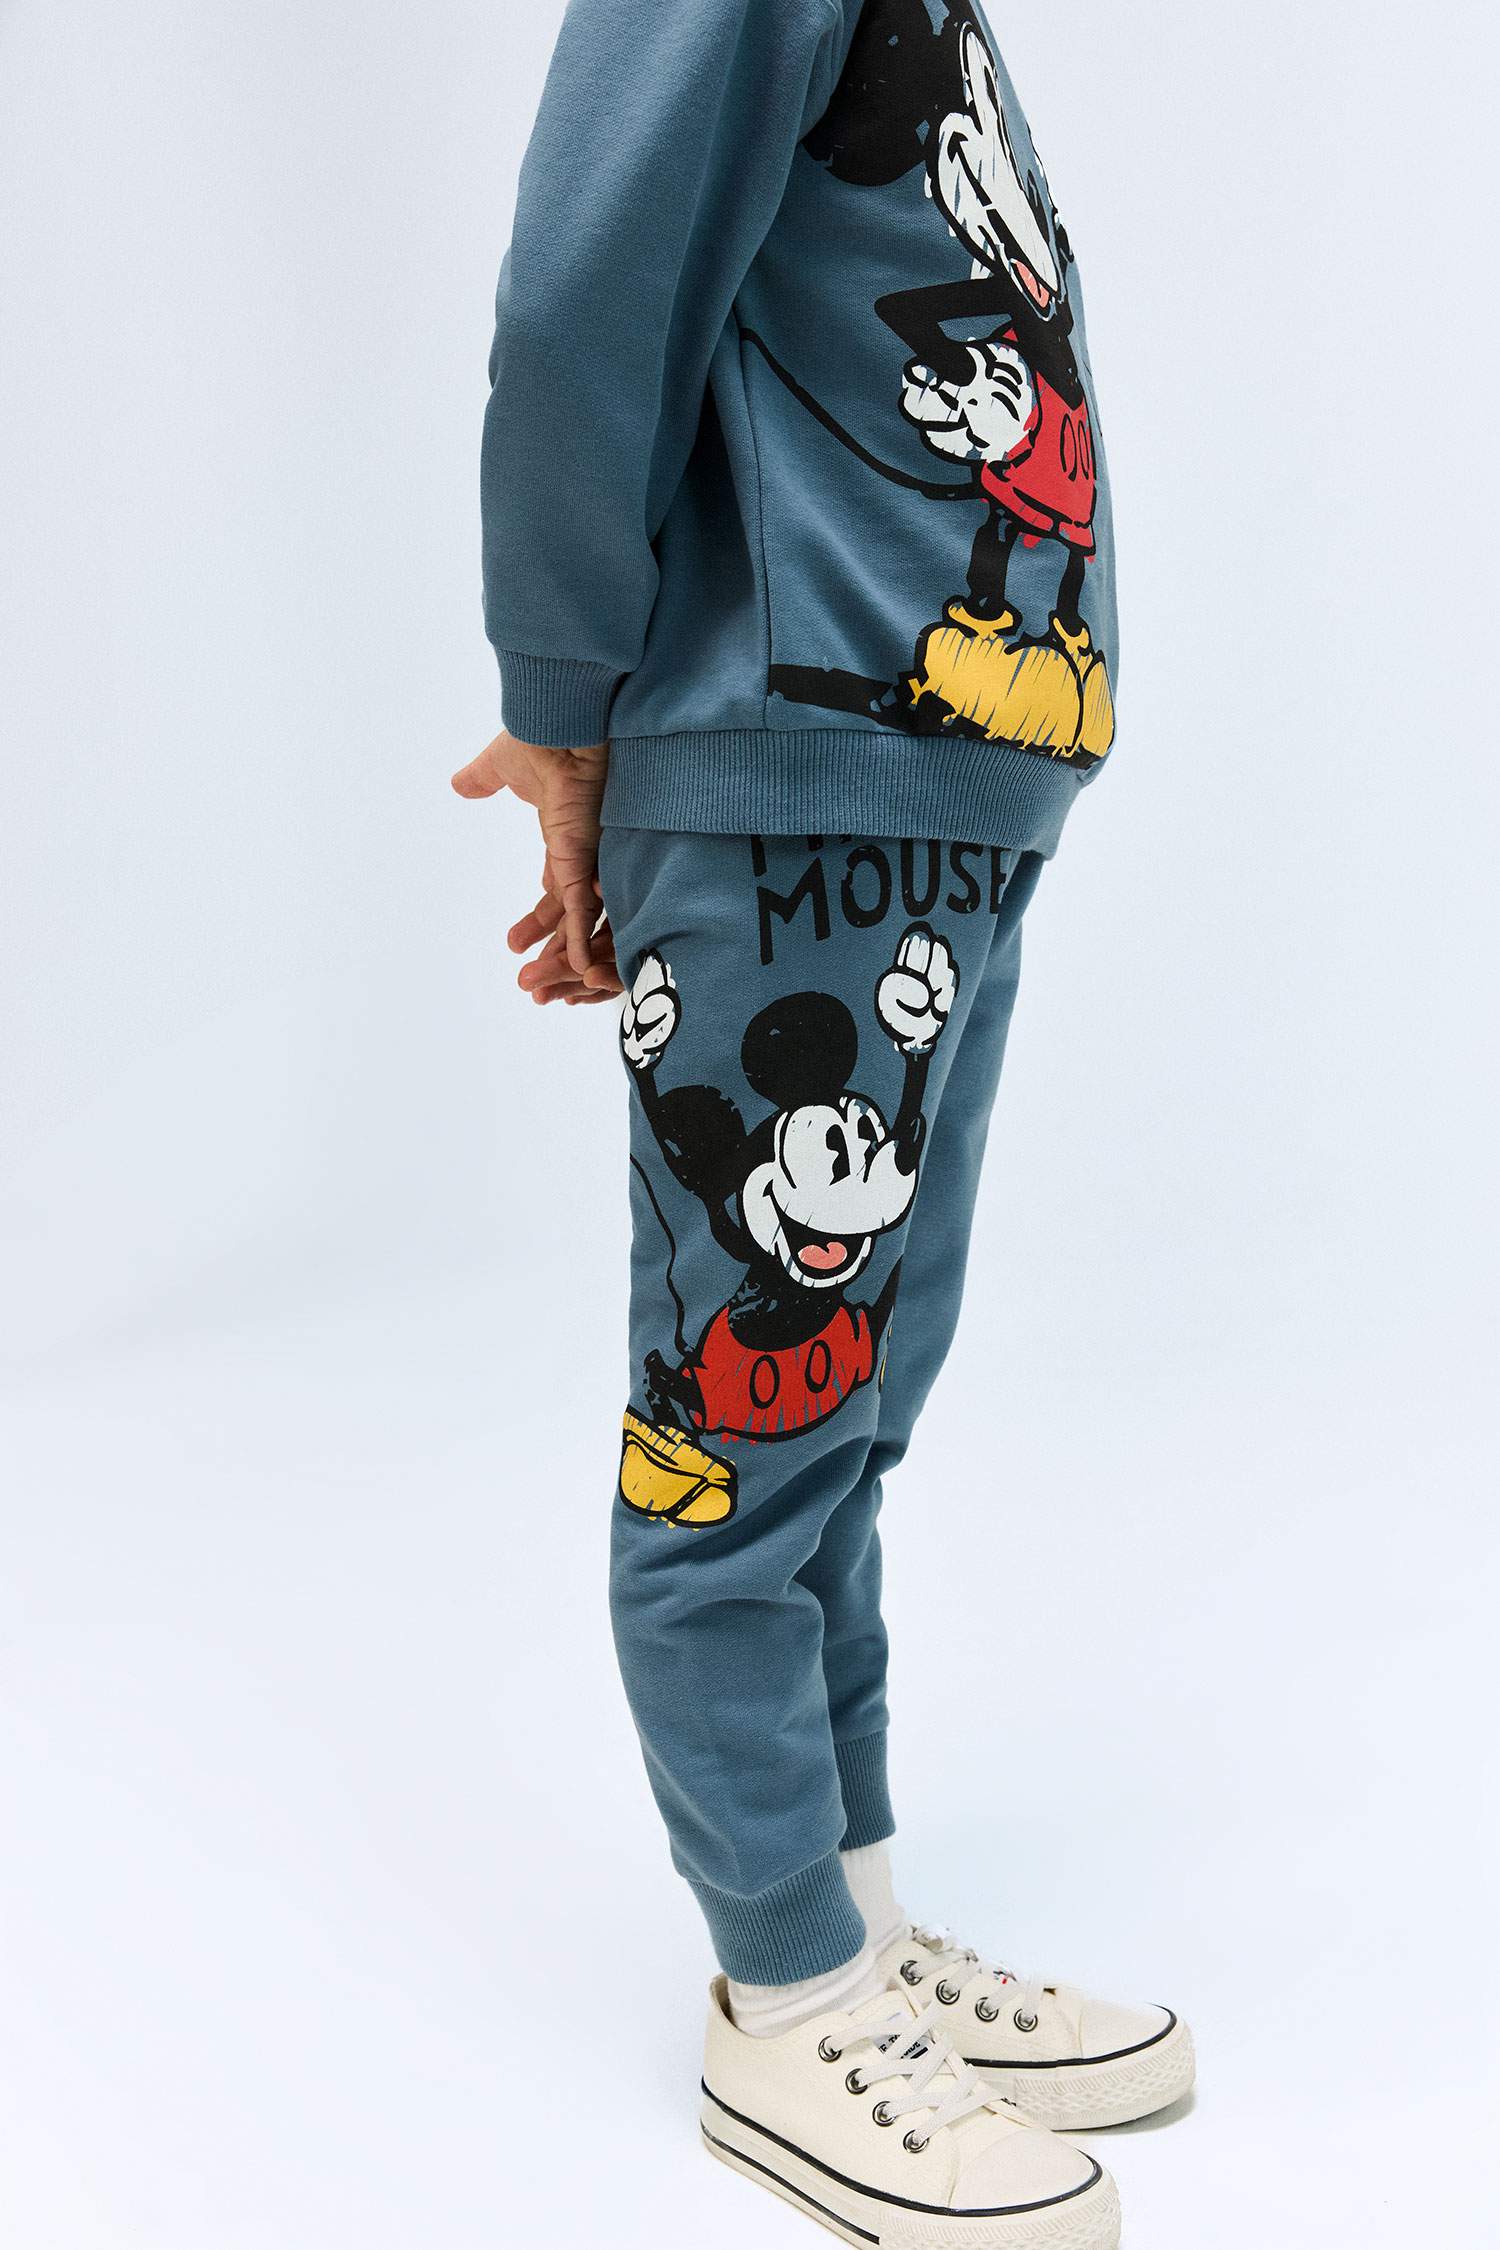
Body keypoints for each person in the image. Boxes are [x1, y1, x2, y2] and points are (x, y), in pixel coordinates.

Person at [457, 2, 1192, 2241]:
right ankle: (785, 1998)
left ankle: (847, 1920)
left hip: (943, 777)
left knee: (851, 1408)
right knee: (739, 1420)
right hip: (792, 763)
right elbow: (583, 292)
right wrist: (562, 697)